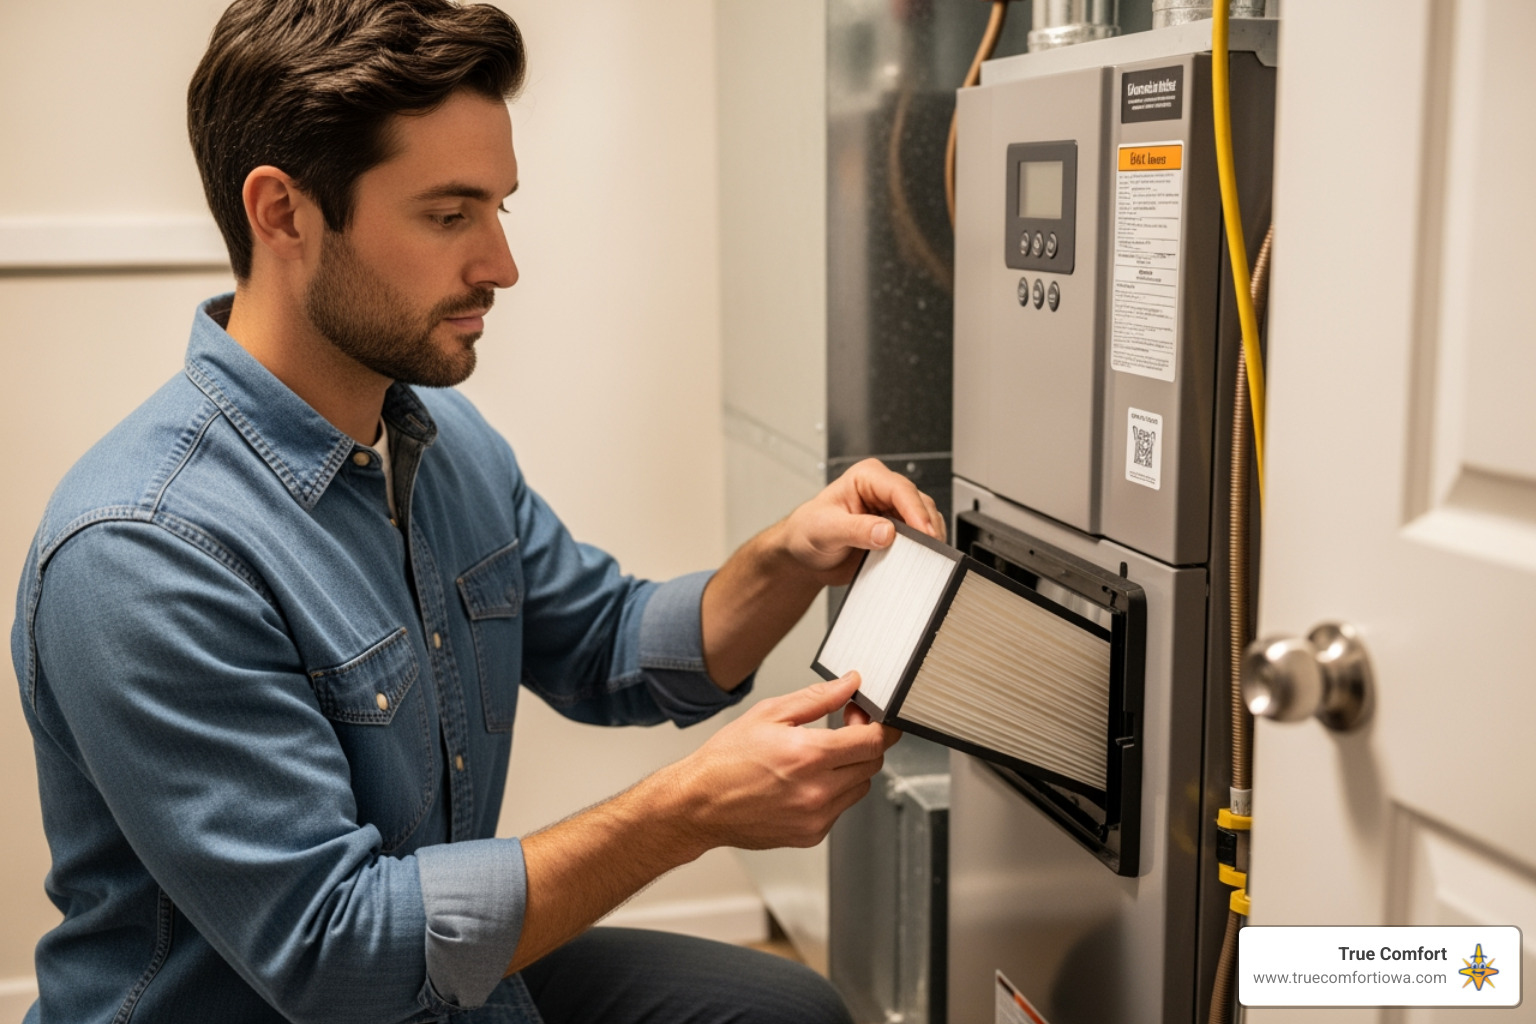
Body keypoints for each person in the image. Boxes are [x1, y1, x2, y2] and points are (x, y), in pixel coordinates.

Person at [9, 1, 945, 1022]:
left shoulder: (444, 447)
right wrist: (690, 808)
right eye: (450, 215)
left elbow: (612, 645)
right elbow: (336, 951)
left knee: (784, 1010)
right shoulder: (145, 550)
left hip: (429, 989)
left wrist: (786, 558)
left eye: (500, 208)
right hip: (312, 995)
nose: (501, 264)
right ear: (282, 213)